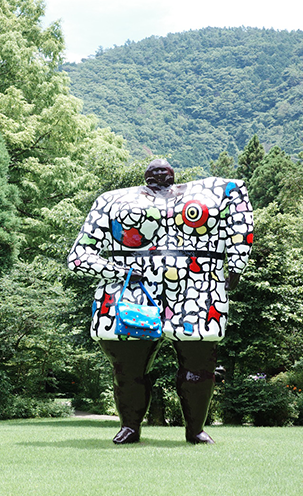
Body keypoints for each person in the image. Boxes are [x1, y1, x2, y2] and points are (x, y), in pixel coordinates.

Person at [67, 159, 253, 444]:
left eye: (164, 170)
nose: (159, 172)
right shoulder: (112, 201)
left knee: (199, 366)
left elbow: (240, 218)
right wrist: (122, 271)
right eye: (153, 170)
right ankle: (130, 425)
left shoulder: (216, 193)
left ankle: (195, 430)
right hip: (130, 293)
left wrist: (237, 265)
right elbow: (79, 256)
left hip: (197, 291)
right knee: (128, 370)